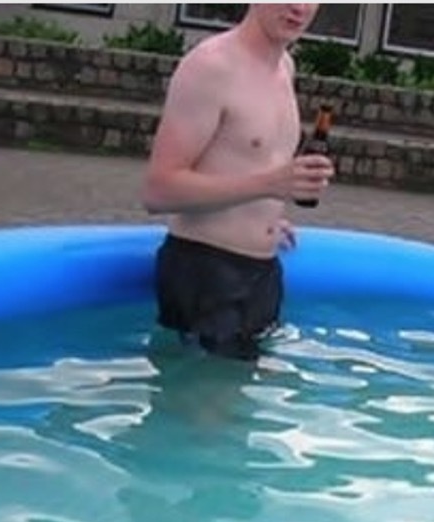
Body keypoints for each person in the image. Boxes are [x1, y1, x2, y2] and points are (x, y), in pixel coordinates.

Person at [142, 4, 334, 360]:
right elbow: (158, 190)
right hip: (205, 272)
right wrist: (268, 185)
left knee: (242, 406)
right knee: (205, 406)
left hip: (263, 273)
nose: (300, 6)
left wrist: (266, 215)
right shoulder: (212, 66)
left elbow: (243, 164)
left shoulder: (284, 68)